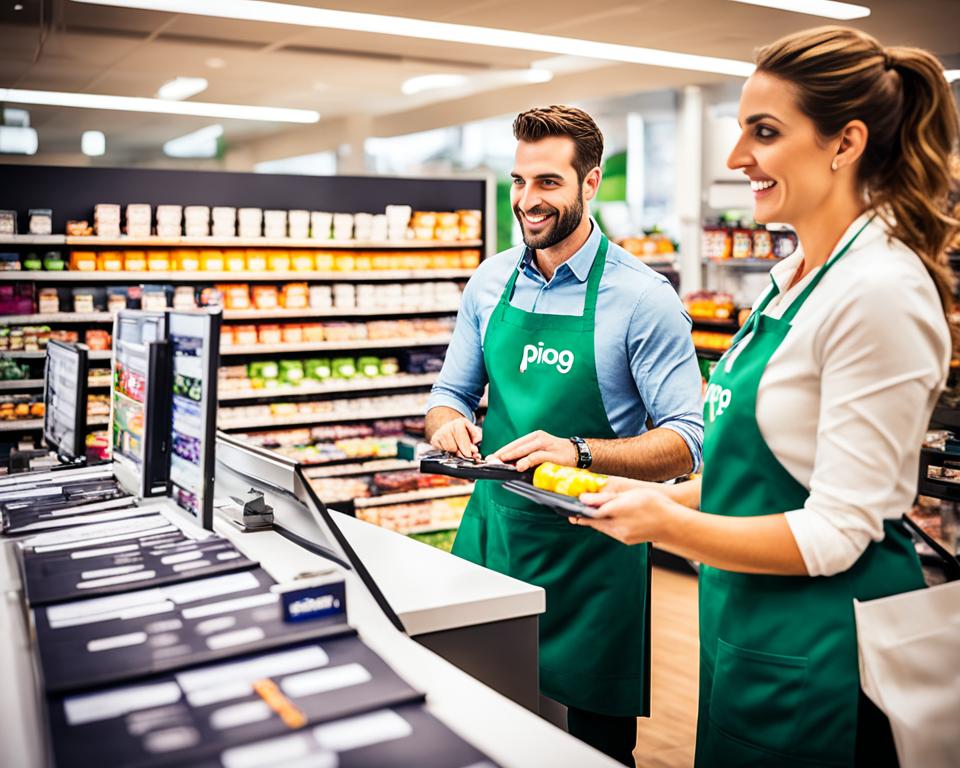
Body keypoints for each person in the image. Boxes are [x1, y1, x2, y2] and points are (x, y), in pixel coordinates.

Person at [573, 26, 958, 768]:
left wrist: (663, 526)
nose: (735, 158)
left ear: (844, 143)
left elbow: (836, 529)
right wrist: (646, 497)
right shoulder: (795, 281)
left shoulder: (877, 290)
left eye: (765, 132)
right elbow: (762, 474)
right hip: (745, 628)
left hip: (821, 650)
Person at [425, 105, 704, 765]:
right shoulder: (490, 281)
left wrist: (576, 451)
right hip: (492, 541)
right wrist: (450, 424)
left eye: (548, 182)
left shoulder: (643, 299)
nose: (528, 200)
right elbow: (448, 394)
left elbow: (689, 442)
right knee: (480, 736)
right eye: (520, 182)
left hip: (593, 564)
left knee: (590, 753)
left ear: (591, 183)